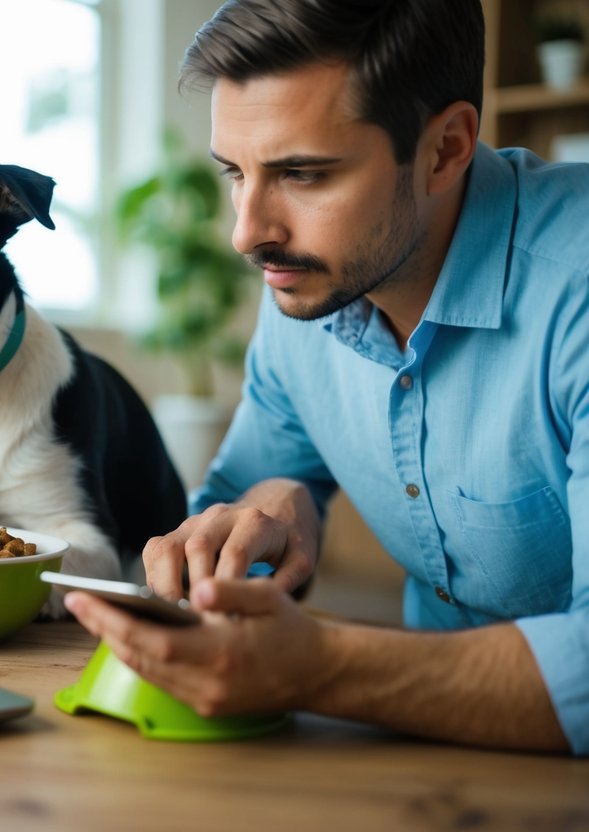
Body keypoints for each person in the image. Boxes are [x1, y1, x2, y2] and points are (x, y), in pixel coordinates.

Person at [65, 0, 588, 754]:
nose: (247, 232)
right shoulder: (310, 292)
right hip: (425, 764)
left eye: (301, 174)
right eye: (234, 173)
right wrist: (277, 505)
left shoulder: (573, 288)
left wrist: (323, 669)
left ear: (444, 148)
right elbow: (238, 514)